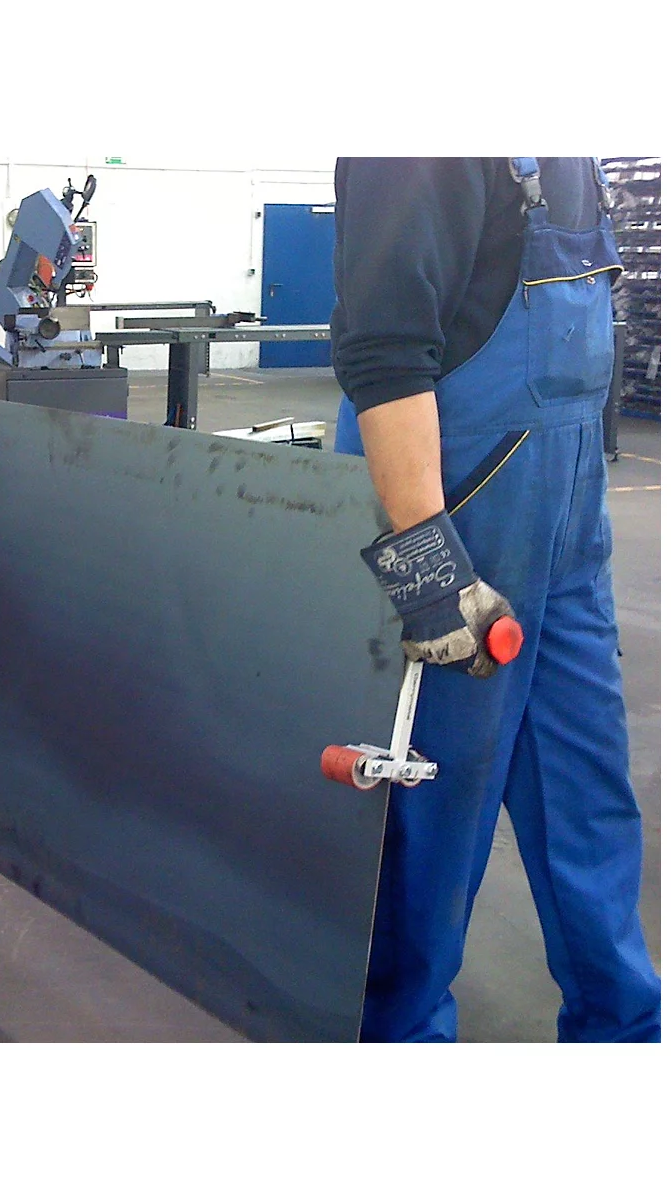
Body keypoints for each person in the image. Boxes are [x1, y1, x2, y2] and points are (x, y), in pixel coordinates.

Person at [331, 157, 660, 1043]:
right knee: (427, 817)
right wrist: (429, 570)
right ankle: (394, 1045)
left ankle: (622, 1037)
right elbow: (383, 351)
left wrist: (578, 517)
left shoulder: (571, 147)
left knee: (588, 802)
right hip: (453, 512)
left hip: (565, 533)